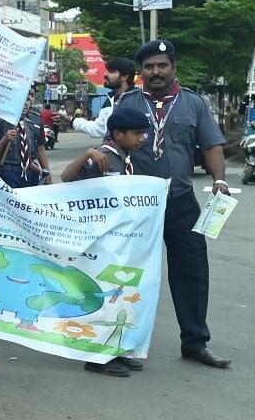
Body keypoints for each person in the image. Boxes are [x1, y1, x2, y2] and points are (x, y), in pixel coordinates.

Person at [114, 40, 232, 369]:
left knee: (192, 272)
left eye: (161, 65)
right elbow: (112, 144)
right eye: (149, 66)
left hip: (181, 202)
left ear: (173, 68)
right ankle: (121, 343)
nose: (155, 71)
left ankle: (195, 343)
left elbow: (211, 144)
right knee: (129, 274)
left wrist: (219, 179)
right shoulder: (128, 102)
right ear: (141, 72)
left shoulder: (193, 103)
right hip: (137, 205)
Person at [59, 107, 152, 377]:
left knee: (119, 297)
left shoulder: (123, 158)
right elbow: (66, 178)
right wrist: (87, 153)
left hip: (118, 243)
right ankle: (97, 357)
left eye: (143, 133)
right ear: (118, 134)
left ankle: (113, 351)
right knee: (106, 297)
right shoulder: (103, 158)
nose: (142, 138)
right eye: (136, 134)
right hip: (100, 243)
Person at [0, 97, 50, 189]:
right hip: (8, 172)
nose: (25, 104)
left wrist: (44, 171)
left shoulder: (31, 125)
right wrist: (5, 139)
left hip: (29, 173)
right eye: (21, 100)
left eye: (27, 100)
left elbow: (36, 151)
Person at [68, 58, 139, 138]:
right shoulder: (109, 100)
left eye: (111, 72)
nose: (105, 75)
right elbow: (99, 129)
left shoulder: (138, 99)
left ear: (124, 77)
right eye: (107, 71)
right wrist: (71, 120)